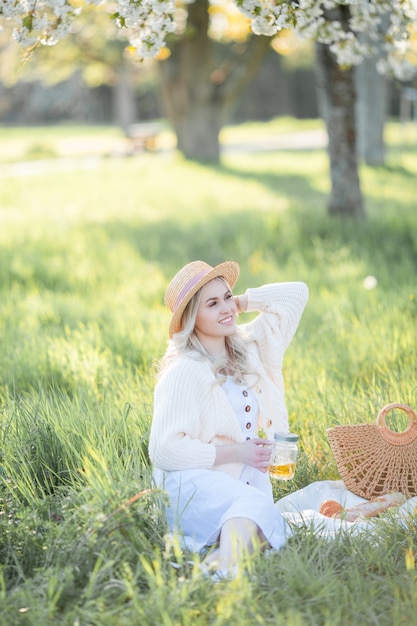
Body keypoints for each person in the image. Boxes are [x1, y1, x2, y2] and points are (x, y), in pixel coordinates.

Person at [148, 260, 309, 578]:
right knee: (261, 513)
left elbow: (296, 295)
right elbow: (163, 452)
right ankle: (222, 572)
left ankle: (211, 568)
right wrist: (239, 453)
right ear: (193, 318)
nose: (226, 308)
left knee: (265, 521)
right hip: (189, 482)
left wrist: (241, 303)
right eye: (212, 303)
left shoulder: (248, 348)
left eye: (227, 296)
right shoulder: (184, 370)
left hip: (238, 484)